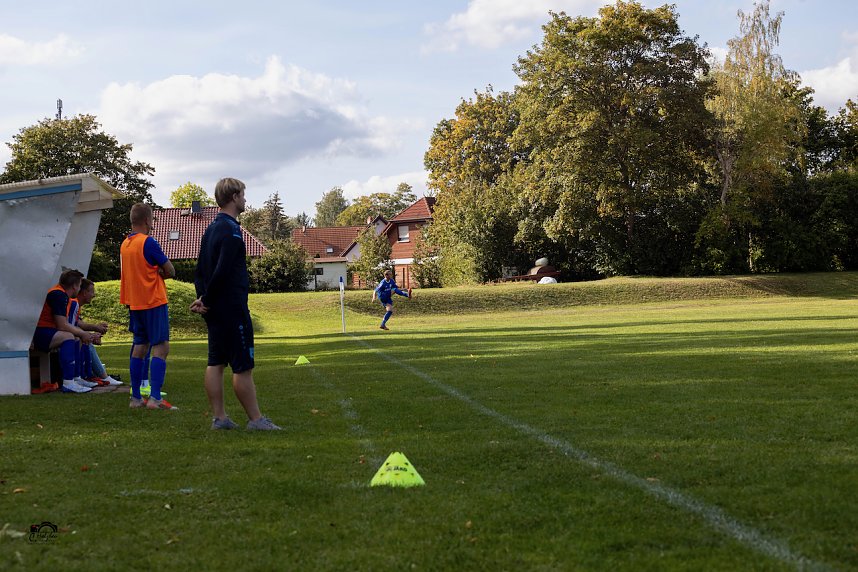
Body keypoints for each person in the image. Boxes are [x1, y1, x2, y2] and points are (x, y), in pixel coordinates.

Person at [190, 177, 280, 431]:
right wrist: (206, 299)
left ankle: (219, 418)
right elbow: (223, 269)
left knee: (216, 362)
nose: (245, 199)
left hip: (214, 309)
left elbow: (200, 271)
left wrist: (203, 299)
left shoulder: (210, 229)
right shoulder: (230, 230)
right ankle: (256, 420)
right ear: (233, 197)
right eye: (242, 194)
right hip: (230, 307)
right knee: (243, 366)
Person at [120, 203, 176, 410]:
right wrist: (160, 274)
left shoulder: (125, 244)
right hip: (153, 301)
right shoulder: (148, 242)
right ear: (147, 221)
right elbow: (170, 270)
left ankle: (135, 398)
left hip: (135, 303)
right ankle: (155, 399)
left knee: (140, 347)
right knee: (161, 347)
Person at [31, 269, 98, 393]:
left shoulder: (62, 295)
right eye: (79, 286)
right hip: (40, 333)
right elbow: (62, 325)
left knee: (75, 337)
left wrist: (83, 334)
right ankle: (68, 382)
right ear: (74, 286)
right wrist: (83, 333)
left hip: (46, 331)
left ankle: (75, 378)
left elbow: (67, 324)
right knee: (68, 336)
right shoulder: (58, 295)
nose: (79, 290)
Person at [74, 279, 122, 386]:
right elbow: (76, 324)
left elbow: (77, 324)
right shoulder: (74, 303)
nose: (94, 295)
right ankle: (103, 377)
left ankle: (93, 376)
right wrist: (95, 329)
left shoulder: (77, 305)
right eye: (92, 291)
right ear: (85, 292)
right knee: (85, 340)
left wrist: (93, 333)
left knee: (86, 339)